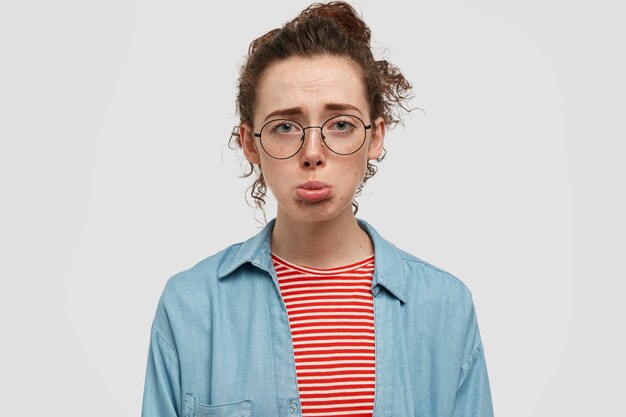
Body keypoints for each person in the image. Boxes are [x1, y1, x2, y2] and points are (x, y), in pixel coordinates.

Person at [141, 2, 494, 416]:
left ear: (375, 136)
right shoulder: (190, 307)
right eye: (285, 127)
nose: (312, 154)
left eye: (341, 124)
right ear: (250, 143)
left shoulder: (445, 307)